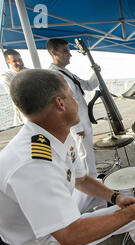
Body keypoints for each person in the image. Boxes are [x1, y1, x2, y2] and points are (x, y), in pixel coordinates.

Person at [0, 69, 135, 245]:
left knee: (121, 199)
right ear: (60, 103)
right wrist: (133, 213)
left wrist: (116, 198)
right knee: (133, 216)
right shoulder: (33, 165)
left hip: (52, 222)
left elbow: (82, 180)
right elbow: (69, 236)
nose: (77, 102)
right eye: (73, 96)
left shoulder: (56, 135)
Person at [47, 38, 99, 178]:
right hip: (77, 122)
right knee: (83, 154)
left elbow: (88, 85)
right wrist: (77, 127)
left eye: (69, 51)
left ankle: (93, 179)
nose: (69, 55)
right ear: (54, 52)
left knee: (88, 152)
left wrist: (96, 73)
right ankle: (90, 189)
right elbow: (62, 104)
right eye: (65, 52)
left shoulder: (67, 73)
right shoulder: (54, 75)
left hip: (83, 118)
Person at [0, 49, 27, 126]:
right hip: (23, 114)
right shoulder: (6, 76)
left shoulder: (32, 72)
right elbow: (15, 94)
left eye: (20, 59)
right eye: (14, 61)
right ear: (8, 62)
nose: (19, 63)